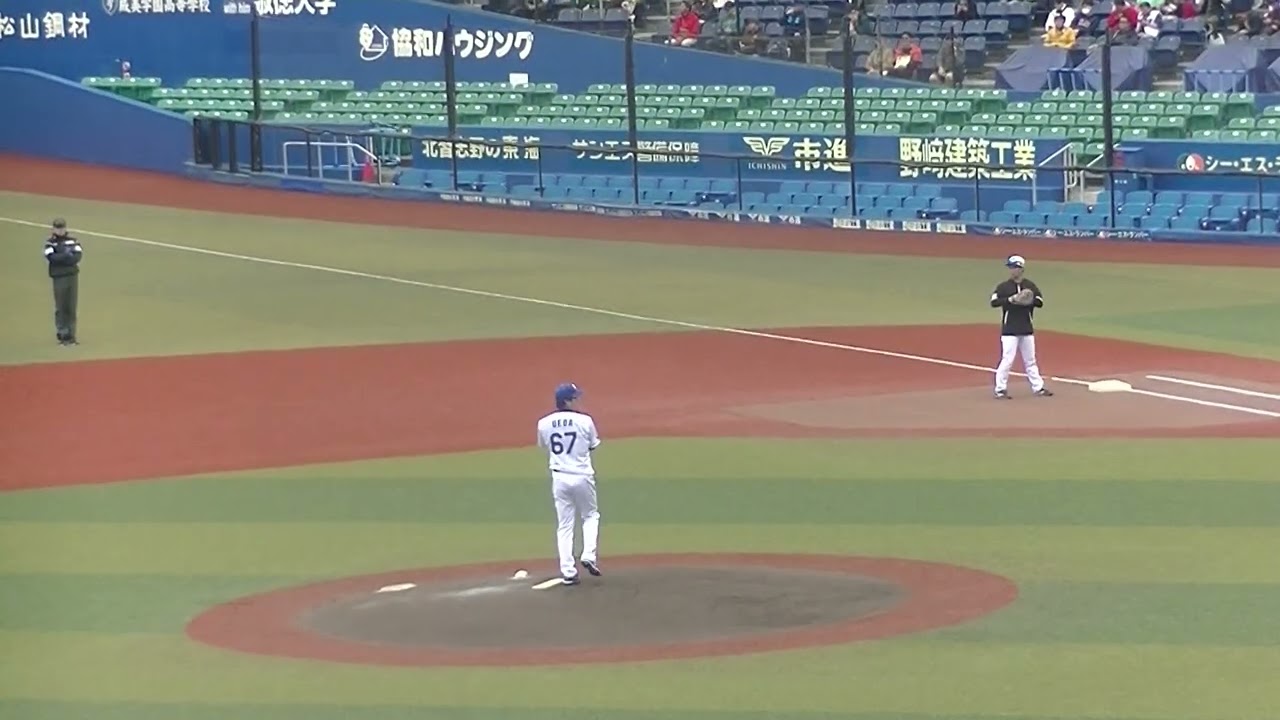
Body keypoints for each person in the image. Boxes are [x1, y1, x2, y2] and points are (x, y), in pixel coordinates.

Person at [536, 383, 603, 585]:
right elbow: (593, 445)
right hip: (582, 475)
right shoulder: (585, 420)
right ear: (566, 401)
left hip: (559, 478)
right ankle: (588, 555)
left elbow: (544, 446)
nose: (577, 400)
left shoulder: (544, 423)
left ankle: (568, 572)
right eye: (574, 398)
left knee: (565, 525)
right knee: (590, 515)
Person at [990, 255, 1052, 399]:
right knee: (1007, 360)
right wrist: (1010, 299)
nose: (1012, 270)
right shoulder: (1003, 287)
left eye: (1015, 267)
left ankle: (1038, 388)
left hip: (1026, 328)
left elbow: (1040, 301)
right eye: (1011, 267)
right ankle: (1000, 389)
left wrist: (1028, 301)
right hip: (1009, 329)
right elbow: (994, 302)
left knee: (1030, 361)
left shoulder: (1030, 286)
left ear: (1021, 269)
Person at [44, 218, 83, 346]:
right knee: (61, 307)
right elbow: (52, 258)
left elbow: (77, 256)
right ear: (54, 229)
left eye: (62, 228)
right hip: (59, 277)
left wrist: (63, 257)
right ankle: (62, 335)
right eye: (58, 228)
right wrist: (67, 255)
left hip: (72, 276)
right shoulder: (50, 243)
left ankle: (71, 335)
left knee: (71, 307)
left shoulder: (73, 241)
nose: (60, 230)